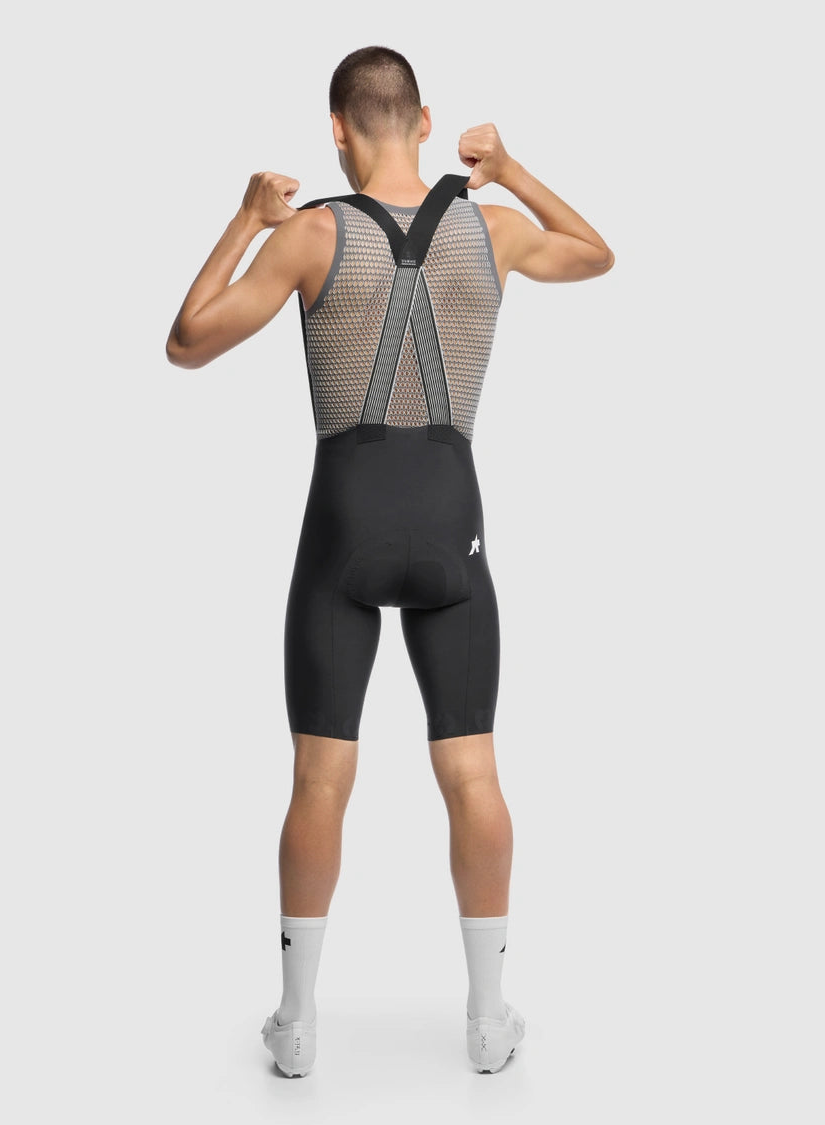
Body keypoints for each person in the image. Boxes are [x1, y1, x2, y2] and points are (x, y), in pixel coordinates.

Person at [166, 44, 614, 1077]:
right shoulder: (491, 230)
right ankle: (488, 1019)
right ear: (424, 122)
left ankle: (296, 1024)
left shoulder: (310, 236)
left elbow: (187, 339)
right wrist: (511, 171)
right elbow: (594, 253)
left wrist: (246, 218)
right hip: (453, 517)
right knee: (473, 769)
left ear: (336, 129)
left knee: (320, 777)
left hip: (345, 520)